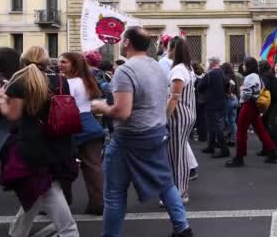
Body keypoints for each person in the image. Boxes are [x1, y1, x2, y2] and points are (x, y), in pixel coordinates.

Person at [91, 27, 193, 237]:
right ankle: (182, 228)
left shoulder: (125, 70)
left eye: (121, 40)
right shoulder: (157, 67)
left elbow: (122, 112)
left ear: (127, 42)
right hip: (155, 133)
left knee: (115, 194)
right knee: (165, 182)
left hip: (129, 137)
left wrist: (101, 107)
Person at [0, 46, 79, 237]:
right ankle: (17, 232)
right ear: (46, 62)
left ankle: (70, 233)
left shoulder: (19, 80)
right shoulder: (60, 80)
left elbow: (13, 114)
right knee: (38, 191)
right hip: (60, 142)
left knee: (46, 190)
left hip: (32, 147)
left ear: (23, 61)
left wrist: (1, 100)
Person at [58, 52, 105, 215]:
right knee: (93, 168)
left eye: (64, 62)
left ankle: (61, 203)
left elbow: (63, 104)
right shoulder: (86, 81)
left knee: (62, 166)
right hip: (91, 125)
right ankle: (98, 203)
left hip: (73, 125)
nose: (60, 64)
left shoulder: (69, 83)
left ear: (74, 65)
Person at [225, 57, 277, 167]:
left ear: (248, 66)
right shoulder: (257, 76)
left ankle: (239, 157)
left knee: (241, 130)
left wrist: (242, 92)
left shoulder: (250, 77)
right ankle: (272, 151)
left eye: (244, 64)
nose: (243, 66)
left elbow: (248, 94)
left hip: (248, 104)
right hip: (254, 105)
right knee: (260, 129)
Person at [165, 37, 197, 203]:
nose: (167, 51)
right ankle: (179, 191)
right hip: (186, 114)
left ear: (174, 50)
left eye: (169, 48)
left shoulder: (178, 70)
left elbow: (174, 98)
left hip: (179, 116)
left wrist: (165, 117)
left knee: (176, 156)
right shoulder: (187, 68)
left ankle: (180, 192)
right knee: (179, 154)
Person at [197, 56, 229, 158]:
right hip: (221, 102)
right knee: (212, 126)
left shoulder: (210, 74)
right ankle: (210, 146)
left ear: (212, 63)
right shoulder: (222, 73)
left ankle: (224, 150)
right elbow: (227, 85)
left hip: (211, 103)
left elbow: (200, 87)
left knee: (215, 126)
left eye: (208, 62)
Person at [259, 60, 277, 151]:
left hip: (271, 103)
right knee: (267, 124)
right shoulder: (271, 75)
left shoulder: (264, 76)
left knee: (268, 125)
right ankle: (268, 146)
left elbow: (266, 88)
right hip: (276, 102)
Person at [221, 62, 238, 147]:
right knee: (232, 121)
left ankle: (221, 139)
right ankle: (233, 139)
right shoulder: (234, 76)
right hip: (235, 99)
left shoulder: (224, 77)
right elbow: (237, 89)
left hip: (227, 100)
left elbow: (224, 89)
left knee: (223, 119)